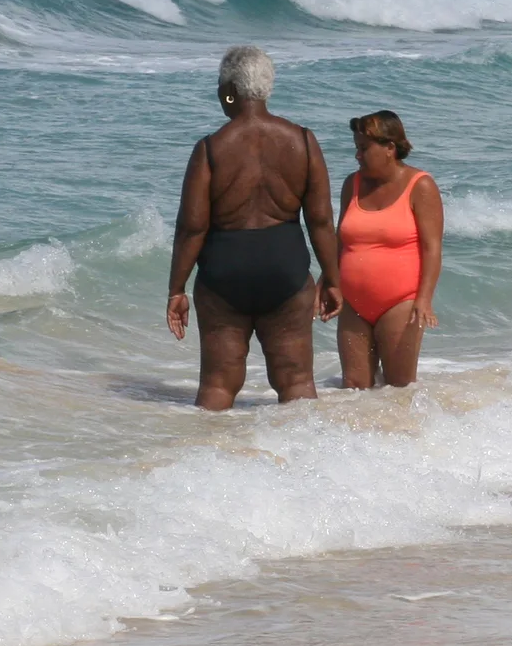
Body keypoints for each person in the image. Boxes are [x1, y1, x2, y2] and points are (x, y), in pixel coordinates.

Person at [166, 47, 341, 409]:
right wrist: (334, 278)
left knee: (217, 384)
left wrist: (177, 288)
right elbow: (321, 221)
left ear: (229, 91)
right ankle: (308, 458)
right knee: (296, 381)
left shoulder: (211, 149)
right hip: (286, 271)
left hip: (224, 275)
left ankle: (209, 459)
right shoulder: (303, 142)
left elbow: (191, 228)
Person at [335, 109, 442, 390]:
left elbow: (432, 248)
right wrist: (328, 282)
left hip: (400, 303)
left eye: (363, 148)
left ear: (389, 148)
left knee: (399, 389)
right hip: (353, 305)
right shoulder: (352, 184)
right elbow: (340, 240)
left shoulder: (421, 186)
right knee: (354, 389)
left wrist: (424, 299)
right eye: (356, 148)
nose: (357, 156)